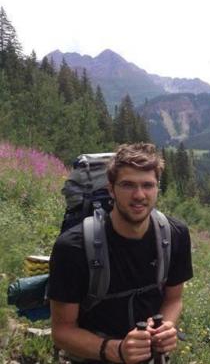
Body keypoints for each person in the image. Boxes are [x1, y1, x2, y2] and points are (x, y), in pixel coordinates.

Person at [49, 143, 193, 363]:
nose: (139, 195)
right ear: (111, 189)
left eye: (148, 185)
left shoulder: (175, 235)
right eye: (127, 185)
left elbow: (174, 299)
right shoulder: (73, 248)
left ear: (157, 189)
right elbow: (62, 331)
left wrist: (167, 326)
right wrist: (116, 350)